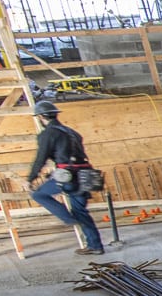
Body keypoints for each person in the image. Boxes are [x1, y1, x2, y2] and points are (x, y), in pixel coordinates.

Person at [25, 99, 104, 255]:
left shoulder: (48, 134)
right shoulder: (71, 132)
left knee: (39, 194)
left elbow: (41, 158)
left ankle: (67, 218)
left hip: (68, 176)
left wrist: (30, 178)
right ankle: (95, 246)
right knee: (80, 211)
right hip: (85, 175)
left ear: (41, 117)